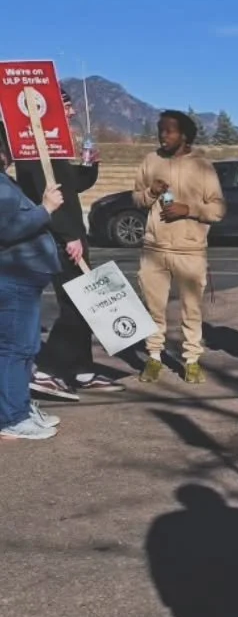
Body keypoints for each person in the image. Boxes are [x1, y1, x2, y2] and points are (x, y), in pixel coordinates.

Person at [18, 92, 118, 401]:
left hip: (72, 234)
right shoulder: (36, 146)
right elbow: (44, 192)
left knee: (85, 301)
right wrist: (68, 234)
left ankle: (81, 369)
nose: (73, 111)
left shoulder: (57, 144)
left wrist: (90, 167)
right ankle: (48, 371)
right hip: (59, 237)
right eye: (66, 104)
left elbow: (70, 184)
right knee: (76, 305)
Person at [132, 111, 225, 384]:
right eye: (161, 130)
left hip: (190, 251)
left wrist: (190, 209)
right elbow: (136, 199)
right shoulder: (150, 161)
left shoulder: (203, 167)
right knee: (153, 308)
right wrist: (151, 193)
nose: (163, 136)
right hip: (154, 249)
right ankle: (154, 357)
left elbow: (218, 209)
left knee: (192, 309)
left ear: (184, 135)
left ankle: (192, 360)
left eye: (170, 131)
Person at [0, 131, 64, 440]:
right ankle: (12, 417)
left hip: (24, 278)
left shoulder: (4, 182)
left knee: (27, 348)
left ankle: (20, 407)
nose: (9, 155)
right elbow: (6, 230)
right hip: (13, 276)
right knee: (15, 349)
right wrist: (45, 209)